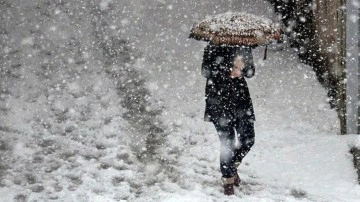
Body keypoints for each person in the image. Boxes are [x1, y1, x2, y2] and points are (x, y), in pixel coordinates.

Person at [201, 43, 256, 195]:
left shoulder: (244, 47)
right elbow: (206, 71)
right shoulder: (212, 47)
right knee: (228, 142)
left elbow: (251, 72)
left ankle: (231, 166)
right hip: (218, 100)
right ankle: (228, 180)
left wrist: (243, 68)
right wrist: (229, 69)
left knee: (248, 139)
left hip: (241, 101)